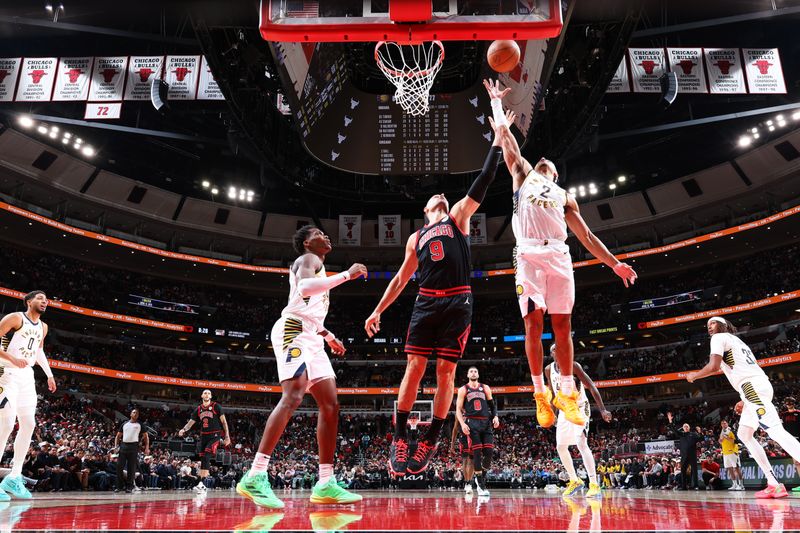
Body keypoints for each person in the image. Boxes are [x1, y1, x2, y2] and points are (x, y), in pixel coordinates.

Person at [365, 103, 513, 476]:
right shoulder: (416, 237)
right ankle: (400, 436)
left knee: (446, 374)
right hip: (426, 303)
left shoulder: (459, 218)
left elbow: (483, 179)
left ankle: (430, 438)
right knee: (414, 367)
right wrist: (378, 310)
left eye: (444, 199)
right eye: (436, 200)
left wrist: (497, 139)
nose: (442, 199)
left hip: (458, 302)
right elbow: (400, 279)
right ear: (426, 208)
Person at [485, 79, 637, 429]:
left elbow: (585, 234)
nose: (541, 160)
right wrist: (497, 110)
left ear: (554, 173)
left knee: (563, 326)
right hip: (527, 256)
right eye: (539, 160)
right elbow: (508, 145)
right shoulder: (523, 175)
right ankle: (540, 392)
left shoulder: (565, 195)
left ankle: (566, 391)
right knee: (533, 324)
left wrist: (614, 264)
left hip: (559, 255)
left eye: (547, 163)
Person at [237, 225, 367, 508]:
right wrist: (346, 275)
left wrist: (329, 336)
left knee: (330, 403)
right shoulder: (310, 260)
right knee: (294, 394)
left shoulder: (318, 265)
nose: (327, 236)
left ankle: (325, 482)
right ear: (308, 242)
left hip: (310, 334)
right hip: (292, 330)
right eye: (320, 233)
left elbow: (310, 312)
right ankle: (255, 475)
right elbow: (305, 291)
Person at [687, 316, 800, 499]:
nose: (709, 327)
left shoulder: (719, 338)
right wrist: (744, 399)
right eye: (707, 325)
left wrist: (694, 376)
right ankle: (773, 483)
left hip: (751, 387)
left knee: (775, 431)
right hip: (753, 387)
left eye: (712, 323)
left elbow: (713, 366)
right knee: (744, 434)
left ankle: (774, 484)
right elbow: (739, 369)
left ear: (722, 325)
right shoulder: (737, 341)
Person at [0, 290, 57, 500]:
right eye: (40, 298)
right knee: (5, 423)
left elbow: (38, 351)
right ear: (28, 301)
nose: (45, 301)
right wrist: (11, 359)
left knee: (29, 425)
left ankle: (14, 478)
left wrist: (49, 375)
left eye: (46, 299)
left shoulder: (43, 326)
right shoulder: (15, 318)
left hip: (26, 376)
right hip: (5, 371)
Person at [545, 344, 611, 498]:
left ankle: (594, 484)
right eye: (554, 349)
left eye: (560, 349)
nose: (558, 351)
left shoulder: (574, 366)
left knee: (581, 442)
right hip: (564, 408)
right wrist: (552, 413)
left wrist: (602, 409)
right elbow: (553, 393)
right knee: (561, 446)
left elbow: (591, 386)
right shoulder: (548, 370)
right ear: (551, 353)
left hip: (580, 407)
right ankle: (575, 480)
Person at [454, 366, 499, 497]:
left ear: (478, 374)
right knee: (477, 453)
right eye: (471, 371)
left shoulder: (485, 388)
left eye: (475, 371)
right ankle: (480, 485)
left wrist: (495, 416)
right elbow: (458, 409)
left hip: (485, 422)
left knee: (489, 452)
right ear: (468, 375)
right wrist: (462, 424)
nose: (473, 373)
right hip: (472, 422)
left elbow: (492, 406)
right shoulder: (463, 389)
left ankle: (480, 478)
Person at [178, 389, 231, 494]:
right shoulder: (198, 409)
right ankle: (201, 485)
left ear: (211, 396)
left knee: (207, 455)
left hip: (215, 435)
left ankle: (201, 483)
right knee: (203, 459)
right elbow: (191, 423)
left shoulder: (216, 406)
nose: (207, 394)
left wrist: (227, 436)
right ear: (202, 396)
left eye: (209, 393)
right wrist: (183, 429)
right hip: (204, 436)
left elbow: (224, 422)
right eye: (205, 393)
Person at [114, 408, 149, 493]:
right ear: (130, 414)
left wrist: (147, 447)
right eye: (134, 412)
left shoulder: (140, 424)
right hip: (123, 445)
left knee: (131, 467)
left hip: (134, 446)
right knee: (119, 466)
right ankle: (119, 486)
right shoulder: (125, 424)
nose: (135, 414)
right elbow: (118, 436)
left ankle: (129, 487)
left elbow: (146, 437)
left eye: (137, 413)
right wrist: (116, 446)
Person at [667, 412, 702, 490]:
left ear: (689, 428)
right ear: (683, 428)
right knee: (683, 471)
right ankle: (684, 486)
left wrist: (699, 432)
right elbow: (673, 429)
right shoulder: (681, 434)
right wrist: (670, 421)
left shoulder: (693, 434)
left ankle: (696, 486)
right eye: (684, 426)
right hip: (684, 455)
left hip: (692, 455)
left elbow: (701, 438)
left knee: (694, 471)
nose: (685, 427)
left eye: (687, 426)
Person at [449, 419, 474, 495]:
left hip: (473, 435)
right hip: (463, 437)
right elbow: (455, 429)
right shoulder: (459, 412)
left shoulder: (473, 410)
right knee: (466, 461)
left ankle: (469, 482)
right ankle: (467, 482)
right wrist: (452, 444)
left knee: (472, 460)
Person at [719, 420, 744, 491]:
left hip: (733, 452)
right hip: (725, 453)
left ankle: (741, 485)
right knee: (730, 469)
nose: (723, 424)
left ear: (727, 424)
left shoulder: (731, 431)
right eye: (722, 423)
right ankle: (734, 484)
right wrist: (721, 439)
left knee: (736, 468)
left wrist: (727, 437)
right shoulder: (722, 432)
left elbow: (736, 441)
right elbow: (720, 441)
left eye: (725, 423)